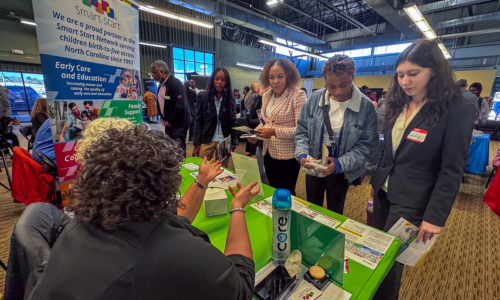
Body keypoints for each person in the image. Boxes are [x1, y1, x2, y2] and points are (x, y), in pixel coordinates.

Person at [28, 125, 259, 300]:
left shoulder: (87, 220)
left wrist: (201, 181)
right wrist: (237, 207)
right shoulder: (173, 252)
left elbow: (173, 219)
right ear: (166, 183)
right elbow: (241, 286)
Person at [370, 40, 476, 300]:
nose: (405, 81)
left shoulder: (457, 110)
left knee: (392, 262)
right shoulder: (397, 103)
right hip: (383, 191)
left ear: (434, 71)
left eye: (413, 73)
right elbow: (390, 153)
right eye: (401, 75)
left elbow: (451, 170)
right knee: (374, 251)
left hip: (413, 199)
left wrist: (435, 217)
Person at [295, 55, 378, 214]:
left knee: (335, 211)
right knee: (312, 208)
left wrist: (340, 164)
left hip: (342, 167)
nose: (338, 91)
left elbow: (366, 146)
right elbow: (302, 131)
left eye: (343, 85)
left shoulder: (366, 107)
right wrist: (302, 154)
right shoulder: (314, 99)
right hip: (314, 162)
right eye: (331, 86)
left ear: (353, 79)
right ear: (325, 83)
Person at [248, 58, 307, 195]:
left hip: (288, 155)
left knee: (286, 192)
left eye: (280, 76)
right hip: (268, 151)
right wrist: (255, 133)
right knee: (272, 187)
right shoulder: (267, 95)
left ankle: (287, 216)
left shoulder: (297, 95)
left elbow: (301, 129)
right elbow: (266, 121)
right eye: (271, 77)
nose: (275, 81)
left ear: (288, 75)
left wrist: (274, 132)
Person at [192, 68, 238, 168]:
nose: (219, 82)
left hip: (223, 141)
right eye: (216, 79)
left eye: (223, 79)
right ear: (212, 79)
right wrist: (196, 145)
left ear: (227, 82)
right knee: (202, 168)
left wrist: (233, 145)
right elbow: (198, 121)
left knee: (221, 170)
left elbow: (233, 123)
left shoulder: (230, 99)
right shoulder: (202, 97)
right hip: (206, 139)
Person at [151, 60, 190, 154]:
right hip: (168, 123)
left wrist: (170, 121)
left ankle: (181, 168)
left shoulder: (176, 83)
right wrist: (162, 118)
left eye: (154, 73)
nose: (153, 76)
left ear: (162, 72)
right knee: (170, 148)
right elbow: (161, 103)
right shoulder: (162, 85)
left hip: (178, 124)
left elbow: (180, 106)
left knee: (179, 148)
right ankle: (173, 168)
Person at [246, 81, 262, 156]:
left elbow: (245, 104)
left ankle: (249, 151)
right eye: (259, 86)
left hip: (249, 115)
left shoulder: (249, 94)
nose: (260, 87)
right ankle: (252, 153)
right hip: (253, 117)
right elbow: (255, 108)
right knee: (254, 135)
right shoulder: (255, 96)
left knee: (250, 134)